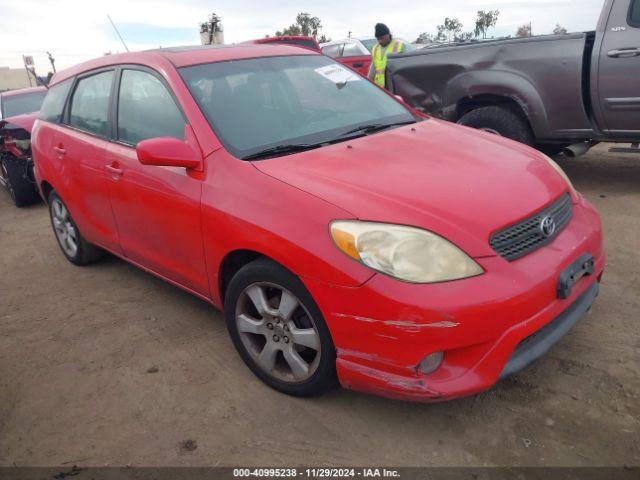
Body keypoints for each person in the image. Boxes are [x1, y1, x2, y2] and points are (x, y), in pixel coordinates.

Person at [368, 23, 405, 89]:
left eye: (381, 38)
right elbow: (373, 67)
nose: (379, 41)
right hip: (380, 86)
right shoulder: (375, 48)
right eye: (378, 39)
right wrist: (368, 83)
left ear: (388, 35)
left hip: (393, 86)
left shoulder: (399, 46)